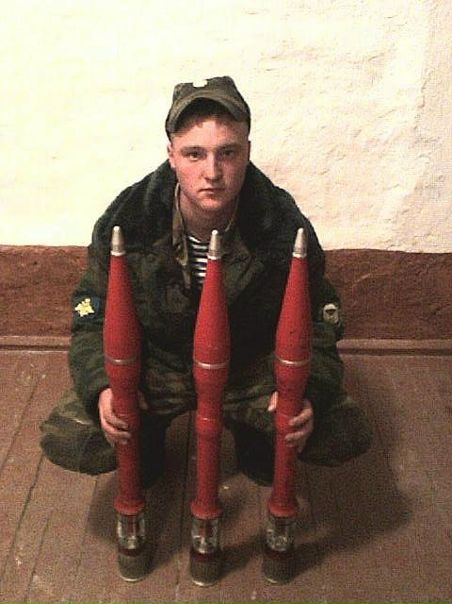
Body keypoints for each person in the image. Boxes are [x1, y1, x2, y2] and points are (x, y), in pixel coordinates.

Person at [40, 75, 372, 487]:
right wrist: (103, 388)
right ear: (171, 156)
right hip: (158, 364)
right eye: (194, 154)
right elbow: (93, 314)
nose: (212, 172)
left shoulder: (283, 228)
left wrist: (310, 394)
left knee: (338, 432)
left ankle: (253, 436)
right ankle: (147, 442)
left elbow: (318, 320)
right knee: (75, 436)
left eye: (227, 153)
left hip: (246, 367)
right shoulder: (128, 223)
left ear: (247, 152)